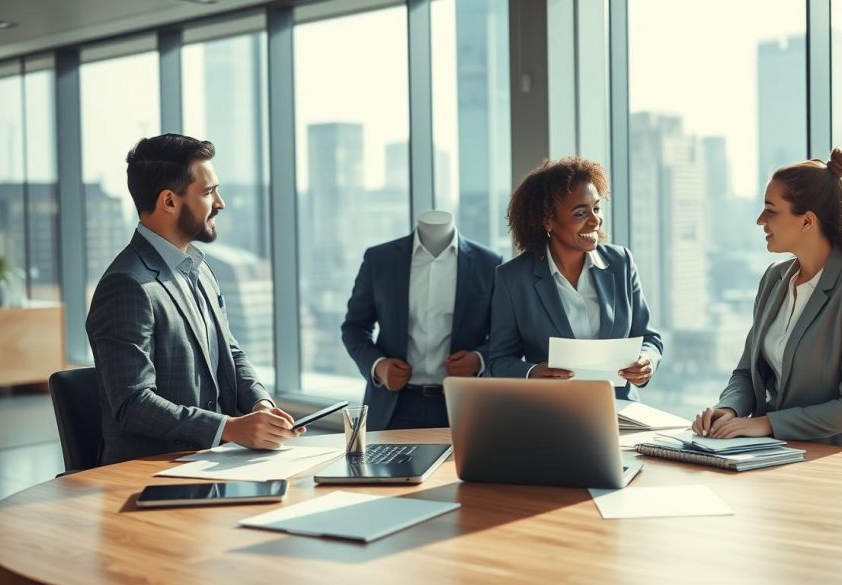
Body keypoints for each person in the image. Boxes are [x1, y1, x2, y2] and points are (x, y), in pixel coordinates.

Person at [87, 134, 302, 465]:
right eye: (208, 192)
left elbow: (229, 352)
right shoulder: (127, 285)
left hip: (213, 461)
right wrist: (229, 428)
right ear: (169, 201)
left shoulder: (200, 270)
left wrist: (261, 406)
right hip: (149, 474)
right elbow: (134, 402)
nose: (220, 202)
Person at [692, 146, 842, 454]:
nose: (760, 220)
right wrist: (730, 410)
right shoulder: (774, 280)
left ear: (807, 221)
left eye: (771, 210)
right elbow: (746, 373)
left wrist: (765, 423)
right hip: (778, 452)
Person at [489, 156, 662, 399]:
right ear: (548, 221)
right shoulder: (513, 278)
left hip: (620, 410)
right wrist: (531, 372)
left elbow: (649, 338)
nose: (595, 220)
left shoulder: (621, 262)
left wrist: (647, 361)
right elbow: (498, 360)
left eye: (597, 208)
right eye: (581, 213)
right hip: (552, 412)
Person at [341, 210, 503, 430]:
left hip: (463, 405)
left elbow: (505, 335)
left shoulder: (489, 263)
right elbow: (354, 327)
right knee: (383, 465)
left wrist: (478, 360)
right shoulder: (379, 259)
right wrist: (378, 366)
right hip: (393, 406)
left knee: (461, 467)